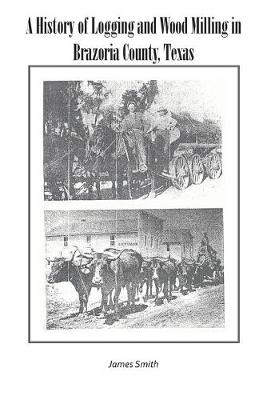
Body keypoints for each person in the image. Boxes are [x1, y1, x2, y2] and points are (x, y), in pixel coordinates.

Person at [120, 102, 148, 172]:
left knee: (141, 147)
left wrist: (144, 132)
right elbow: (123, 127)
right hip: (130, 135)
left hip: (139, 133)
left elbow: (146, 123)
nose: (132, 108)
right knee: (131, 148)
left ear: (135, 108)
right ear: (128, 108)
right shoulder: (126, 118)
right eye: (130, 107)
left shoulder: (140, 115)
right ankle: (134, 165)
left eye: (133, 107)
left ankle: (143, 164)